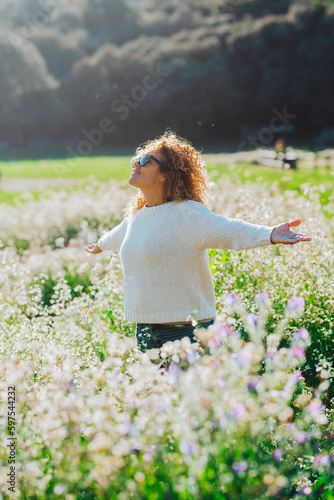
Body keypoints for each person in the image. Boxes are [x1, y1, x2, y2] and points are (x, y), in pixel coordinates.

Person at [85, 131, 311, 353]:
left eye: (145, 160)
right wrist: (98, 246)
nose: (136, 163)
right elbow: (115, 236)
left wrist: (270, 234)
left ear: (165, 174)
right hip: (145, 330)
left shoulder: (189, 213)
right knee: (154, 391)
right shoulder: (136, 218)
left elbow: (230, 230)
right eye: (136, 159)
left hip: (187, 331)